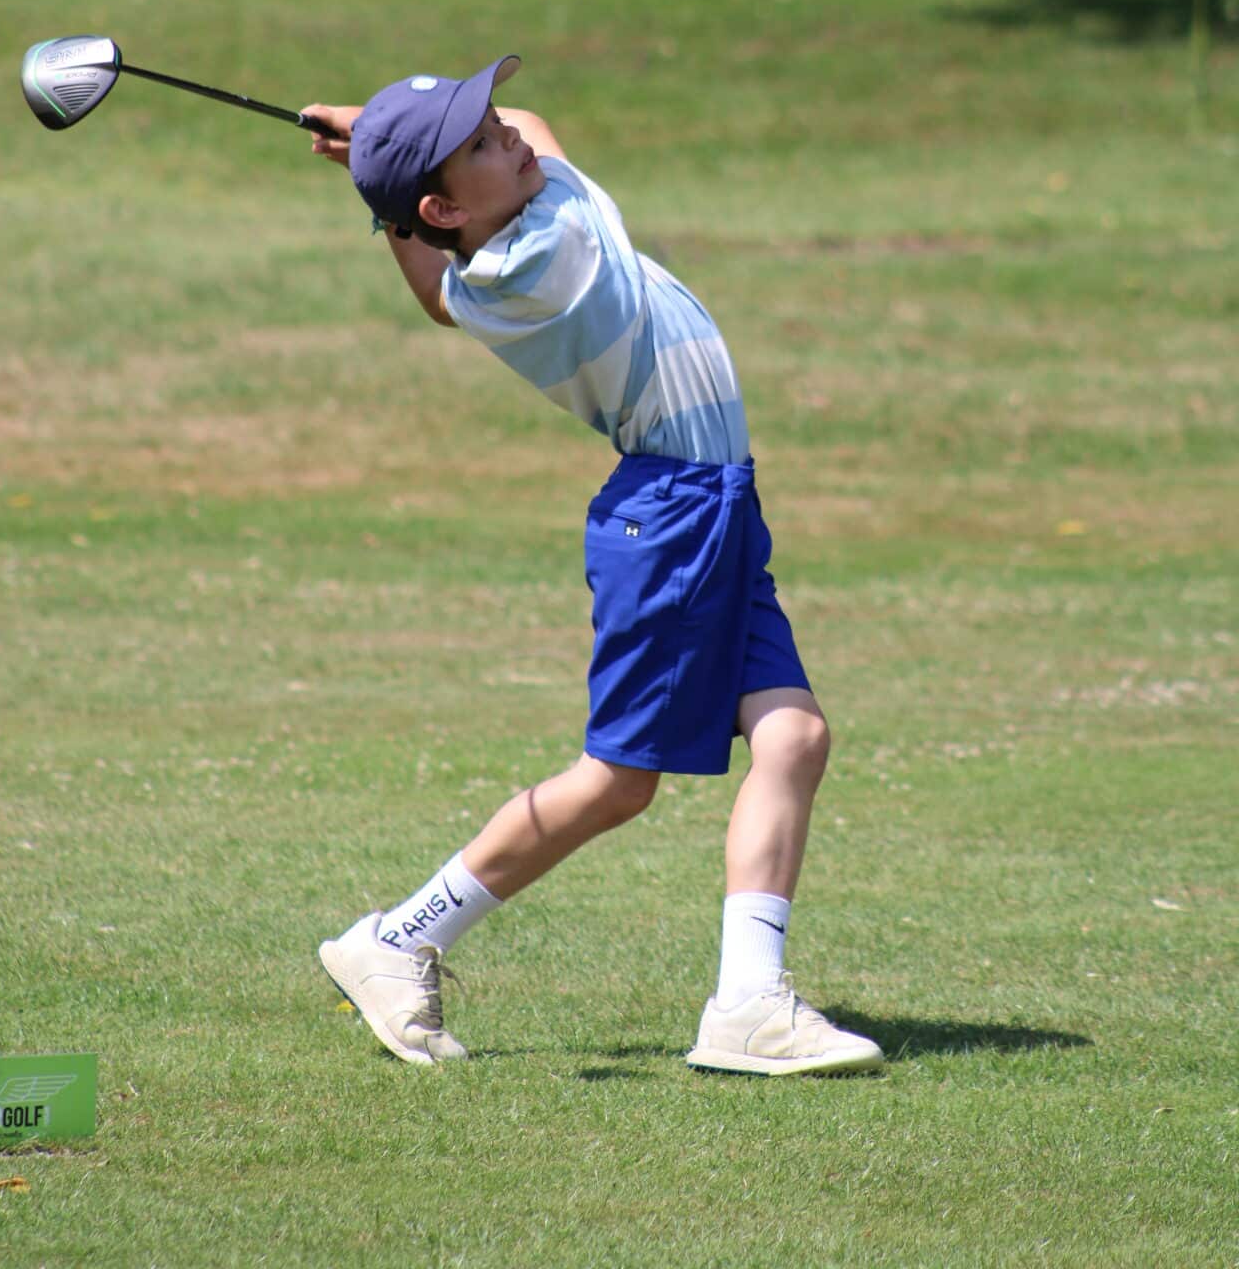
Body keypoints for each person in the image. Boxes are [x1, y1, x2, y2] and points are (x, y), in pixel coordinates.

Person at [301, 55, 883, 1079]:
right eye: (479, 143)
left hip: (705, 505)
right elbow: (536, 123)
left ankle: (749, 1001)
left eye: (490, 123)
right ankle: (398, 940)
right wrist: (374, 128)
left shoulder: (479, 274)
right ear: (446, 205)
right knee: (617, 783)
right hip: (673, 517)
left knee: (792, 737)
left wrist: (387, 181)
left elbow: (434, 289)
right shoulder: (553, 241)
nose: (508, 136)